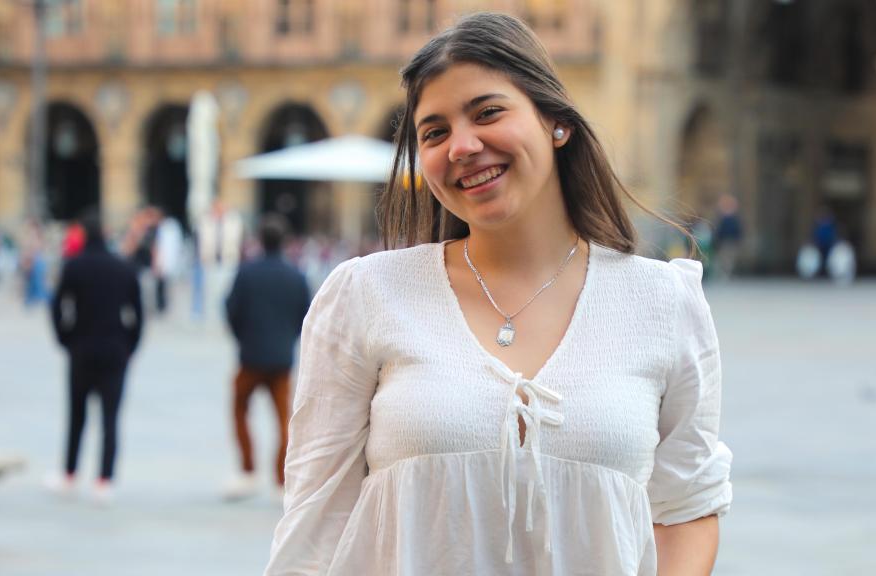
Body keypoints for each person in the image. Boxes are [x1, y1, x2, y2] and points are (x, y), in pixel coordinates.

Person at [264, 13, 732, 576]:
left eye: (487, 112)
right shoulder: (368, 295)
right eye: (434, 132)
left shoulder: (662, 301)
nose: (462, 145)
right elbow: (315, 523)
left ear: (556, 121)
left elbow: (687, 505)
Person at [47, 209, 143, 505]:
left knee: (77, 414)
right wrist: (130, 345)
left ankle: (70, 474)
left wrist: (65, 337)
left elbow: (57, 304)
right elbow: (138, 313)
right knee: (110, 417)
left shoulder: (74, 266)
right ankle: (104, 480)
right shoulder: (122, 267)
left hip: (81, 347)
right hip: (115, 348)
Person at [223, 214, 310, 501]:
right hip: (281, 359)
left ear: (259, 240)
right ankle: (279, 477)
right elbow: (306, 316)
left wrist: (243, 338)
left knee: (238, 409)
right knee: (284, 418)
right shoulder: (296, 275)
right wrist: (287, 339)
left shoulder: (246, 272)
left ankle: (248, 468)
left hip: (250, 357)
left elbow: (231, 310)